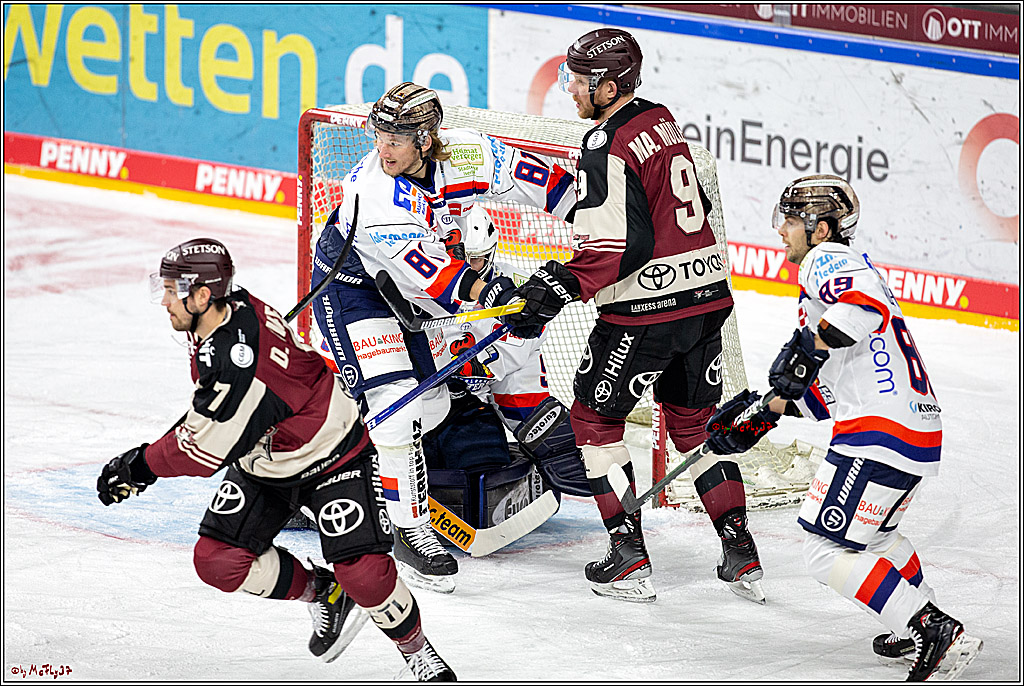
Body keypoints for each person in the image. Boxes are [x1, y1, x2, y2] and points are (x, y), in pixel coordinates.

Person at [96, 238, 456, 681]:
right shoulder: (234, 307)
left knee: (365, 573)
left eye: (173, 290)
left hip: (333, 450)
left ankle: (417, 652)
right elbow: (221, 410)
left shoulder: (233, 359)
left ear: (203, 294)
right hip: (266, 460)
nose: (166, 300)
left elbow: (203, 448)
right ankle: (324, 594)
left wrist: (140, 467)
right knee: (217, 560)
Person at [496, 28, 764, 604]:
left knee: (594, 425)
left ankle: (627, 555)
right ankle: (740, 550)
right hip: (708, 300)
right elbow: (692, 209)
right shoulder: (662, 120)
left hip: (645, 313)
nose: (569, 88)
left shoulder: (604, 144)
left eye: (579, 79)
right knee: (693, 428)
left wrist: (554, 285)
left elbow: (617, 248)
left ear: (607, 85)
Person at [703, 174, 983, 681]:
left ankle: (934, 627)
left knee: (823, 550)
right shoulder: (830, 296)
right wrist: (762, 417)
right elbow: (823, 393)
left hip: (878, 431)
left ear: (821, 227)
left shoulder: (828, 260)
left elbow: (863, 304)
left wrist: (810, 349)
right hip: (911, 428)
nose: (781, 231)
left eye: (791, 220)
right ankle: (914, 624)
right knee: (876, 539)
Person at [310, 82, 575, 592]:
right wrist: (491, 293)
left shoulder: (469, 151)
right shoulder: (375, 195)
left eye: (396, 138)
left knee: (431, 406)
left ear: (427, 139)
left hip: (410, 290)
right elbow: (436, 281)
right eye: (379, 135)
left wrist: (598, 217)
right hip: (353, 289)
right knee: (398, 402)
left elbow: (545, 182)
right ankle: (408, 529)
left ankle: (349, 454)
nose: (382, 149)